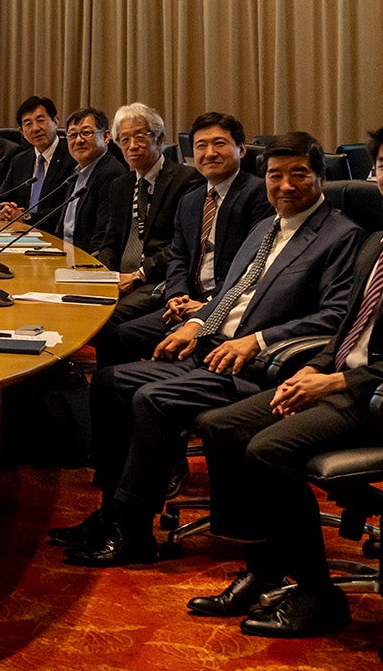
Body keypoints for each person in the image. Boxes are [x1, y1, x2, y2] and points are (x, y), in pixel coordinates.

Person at [189, 116, 383, 636]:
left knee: (268, 449)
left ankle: (317, 595)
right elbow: (349, 326)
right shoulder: (379, 242)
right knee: (220, 426)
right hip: (352, 384)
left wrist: (336, 383)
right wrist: (314, 366)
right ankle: (265, 569)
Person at [55, 133, 363, 566]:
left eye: (299, 174)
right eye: (275, 175)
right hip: (211, 348)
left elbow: (336, 316)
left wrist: (257, 340)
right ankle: (111, 512)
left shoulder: (340, 235)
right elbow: (232, 291)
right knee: (109, 382)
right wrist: (196, 324)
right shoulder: (267, 226)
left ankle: (133, 531)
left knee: (152, 399)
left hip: (257, 367)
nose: (285, 185)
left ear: (321, 178)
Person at [107, 112, 275, 361]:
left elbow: (253, 266)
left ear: (241, 150)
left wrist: (209, 304)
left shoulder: (259, 194)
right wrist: (176, 295)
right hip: (187, 300)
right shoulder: (192, 200)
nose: (209, 153)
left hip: (227, 305)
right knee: (116, 335)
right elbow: (178, 256)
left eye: (219, 144)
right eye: (201, 146)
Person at [91, 103, 203, 336]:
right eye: (124, 139)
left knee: (103, 318)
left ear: (159, 139)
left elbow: (181, 245)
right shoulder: (120, 185)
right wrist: (109, 276)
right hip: (120, 278)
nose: (132, 146)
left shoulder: (186, 180)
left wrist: (137, 276)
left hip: (156, 279)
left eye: (140, 137)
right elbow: (110, 240)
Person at [0, 96, 75, 235]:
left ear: (56, 122)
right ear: (21, 131)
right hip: (19, 234)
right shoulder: (20, 160)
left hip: (55, 235)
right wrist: (5, 210)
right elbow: (3, 197)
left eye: (40, 120)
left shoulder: (72, 157)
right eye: (28, 124)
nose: (35, 128)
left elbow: (68, 208)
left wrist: (26, 218)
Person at [57, 107, 128, 255]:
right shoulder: (76, 172)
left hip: (86, 261)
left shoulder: (111, 173)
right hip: (65, 256)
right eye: (72, 135)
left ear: (106, 137)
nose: (78, 140)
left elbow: (103, 237)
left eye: (86, 133)